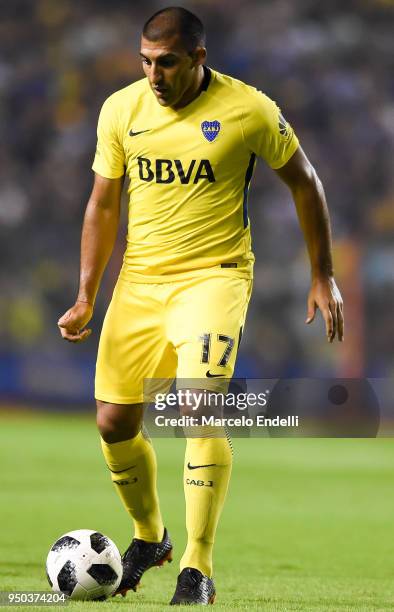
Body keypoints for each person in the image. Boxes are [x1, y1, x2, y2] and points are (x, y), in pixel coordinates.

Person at [58, 6, 344, 606]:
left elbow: (305, 180)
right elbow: (103, 205)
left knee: (197, 406)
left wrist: (323, 273)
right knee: (114, 421)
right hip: (139, 281)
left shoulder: (249, 110)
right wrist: (86, 293)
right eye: (145, 61)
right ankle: (150, 538)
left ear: (198, 59)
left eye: (165, 63)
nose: (153, 75)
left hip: (214, 277)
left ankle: (197, 565)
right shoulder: (122, 109)